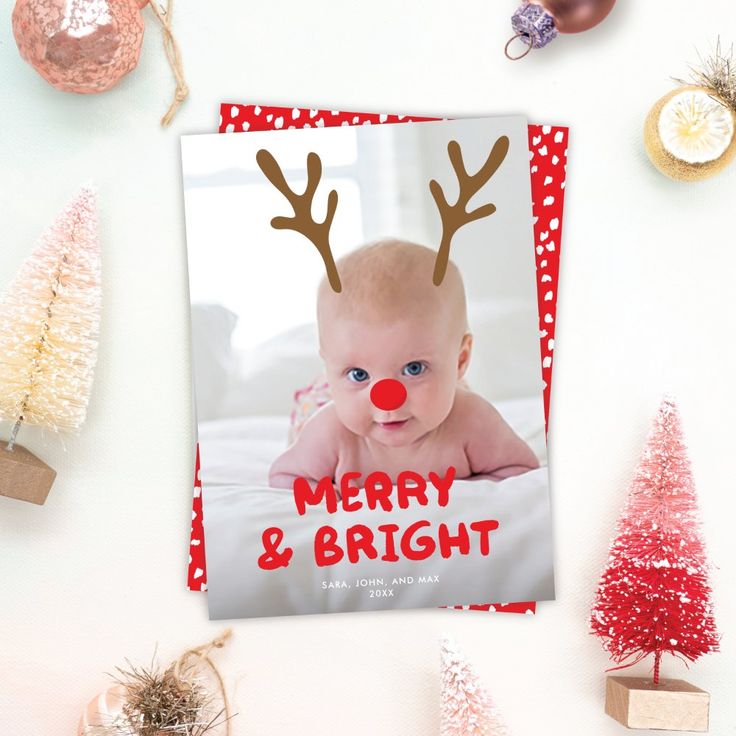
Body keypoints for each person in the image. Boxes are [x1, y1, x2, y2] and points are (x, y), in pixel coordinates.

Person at [269, 239, 539, 489]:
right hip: (322, 402)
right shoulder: (328, 433)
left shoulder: (473, 420)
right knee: (315, 416)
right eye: (359, 373)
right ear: (328, 364)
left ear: (460, 360)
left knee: (450, 394)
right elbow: (285, 476)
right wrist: (329, 497)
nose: (387, 400)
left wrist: (467, 494)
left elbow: (520, 469)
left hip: (448, 392)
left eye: (414, 368)